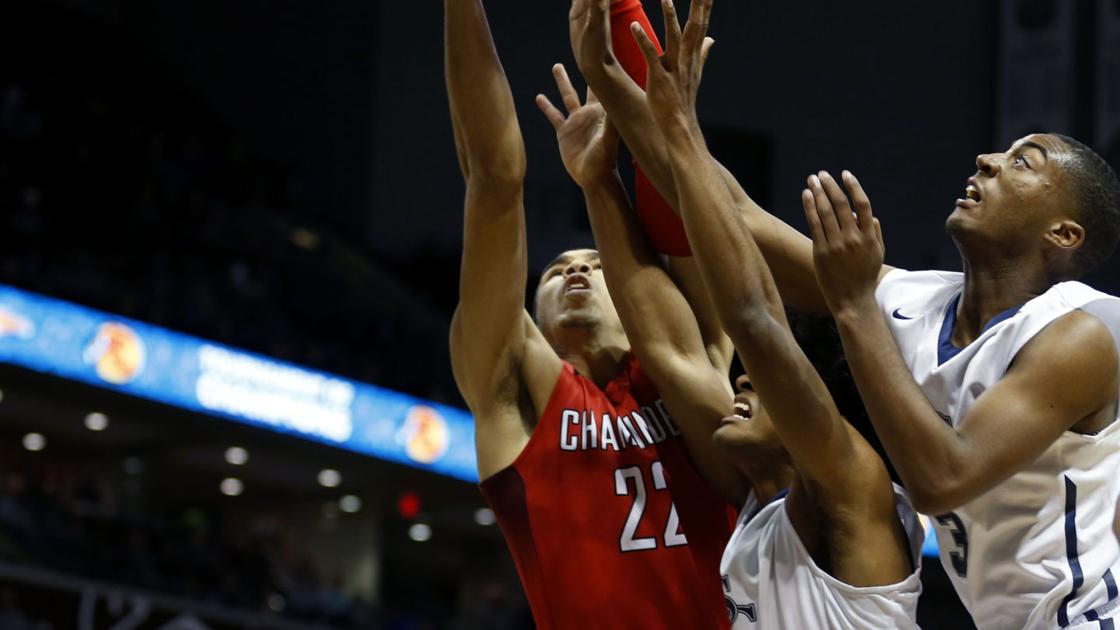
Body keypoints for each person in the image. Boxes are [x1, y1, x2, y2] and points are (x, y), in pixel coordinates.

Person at [545, 0, 926, 626]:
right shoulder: (761, 502)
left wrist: (678, 128)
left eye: (769, 379)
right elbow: (670, 353)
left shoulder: (855, 486)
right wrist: (599, 183)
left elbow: (754, 318)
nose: (744, 381)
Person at [444, 2, 734, 627]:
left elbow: (677, 194)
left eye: (598, 265)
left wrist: (621, 29)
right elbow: (494, 180)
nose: (577, 270)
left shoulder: (691, 363)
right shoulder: (514, 396)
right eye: (555, 271)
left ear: (636, 299)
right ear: (534, 316)